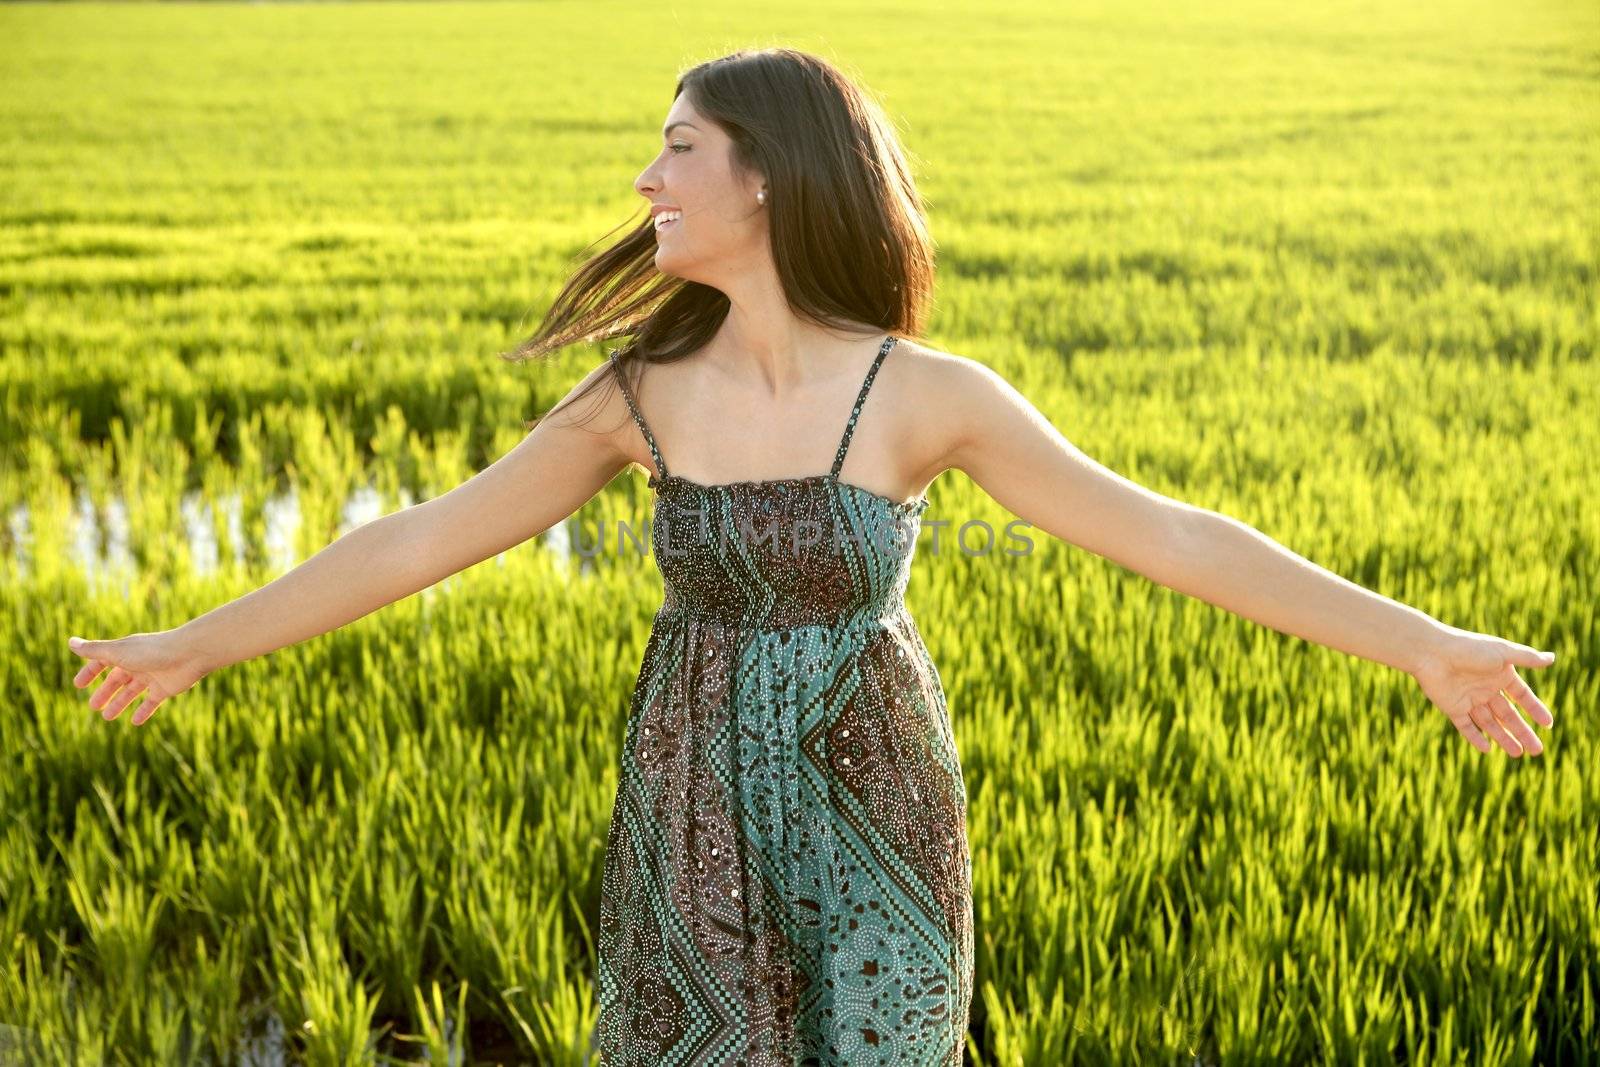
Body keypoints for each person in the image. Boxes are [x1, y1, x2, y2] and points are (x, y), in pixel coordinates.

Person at [67, 47, 1558, 1067]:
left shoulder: (922, 393)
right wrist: (197, 641)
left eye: (678, 146)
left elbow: (1170, 536)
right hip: (691, 809)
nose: (647, 175)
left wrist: (1420, 642)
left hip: (880, 812)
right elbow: (419, 539)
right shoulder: (635, 402)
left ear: (768, 176)